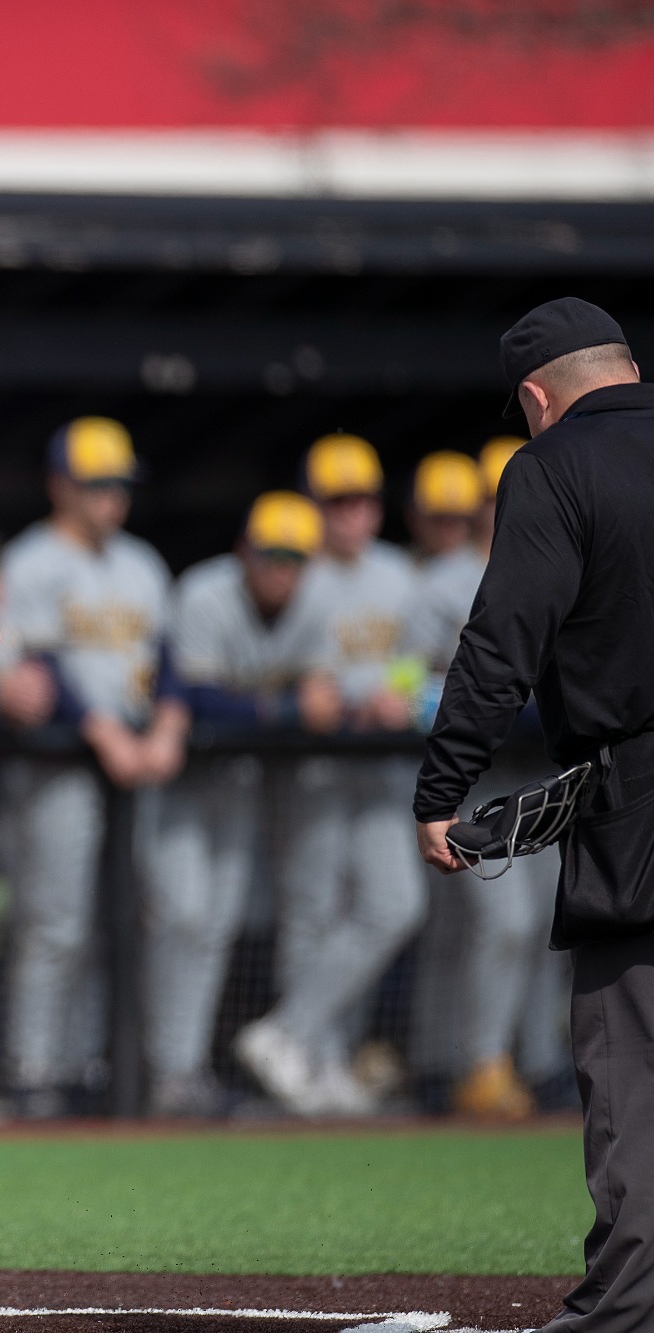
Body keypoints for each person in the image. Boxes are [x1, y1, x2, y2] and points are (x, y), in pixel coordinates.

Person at [415, 297, 654, 1332]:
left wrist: (441, 786)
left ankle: (626, 1306)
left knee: (630, 1059)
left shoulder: (552, 466)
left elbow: (499, 639)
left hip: (636, 802)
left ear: (534, 398)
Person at [0, 418, 186, 1118]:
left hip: (134, 758)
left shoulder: (143, 564)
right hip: (63, 764)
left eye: (119, 484)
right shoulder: (35, 559)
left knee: (127, 918)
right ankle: (34, 1065)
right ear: (60, 486)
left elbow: (167, 662)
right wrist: (104, 731)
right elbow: (37, 671)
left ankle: (91, 1062)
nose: (111, 497)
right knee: (56, 921)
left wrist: (166, 726)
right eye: (95, 484)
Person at [237, 434, 426, 1117]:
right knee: (311, 913)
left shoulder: (400, 575)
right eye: (337, 501)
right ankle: (314, 1063)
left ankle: (293, 1035)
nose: (352, 515)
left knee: (393, 904)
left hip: (378, 763)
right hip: (312, 766)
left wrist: (398, 691)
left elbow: (419, 659)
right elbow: (278, 671)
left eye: (363, 500)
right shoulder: (295, 569)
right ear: (312, 504)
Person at [144, 491, 329, 1117]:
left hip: (237, 787)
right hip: (177, 789)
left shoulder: (315, 602)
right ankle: (154, 1067)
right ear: (245, 551)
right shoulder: (204, 592)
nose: (281, 568)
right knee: (181, 919)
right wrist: (281, 708)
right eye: (271, 554)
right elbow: (193, 697)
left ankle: (184, 1070)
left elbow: (324, 697)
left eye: (294, 557)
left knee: (216, 927)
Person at [404, 448, 564, 1118]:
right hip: (469, 777)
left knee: (547, 922)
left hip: (542, 776)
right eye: (496, 498)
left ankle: (537, 1061)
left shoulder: (561, 565)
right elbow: (404, 683)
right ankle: (474, 1061)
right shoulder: (443, 581)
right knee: (502, 923)